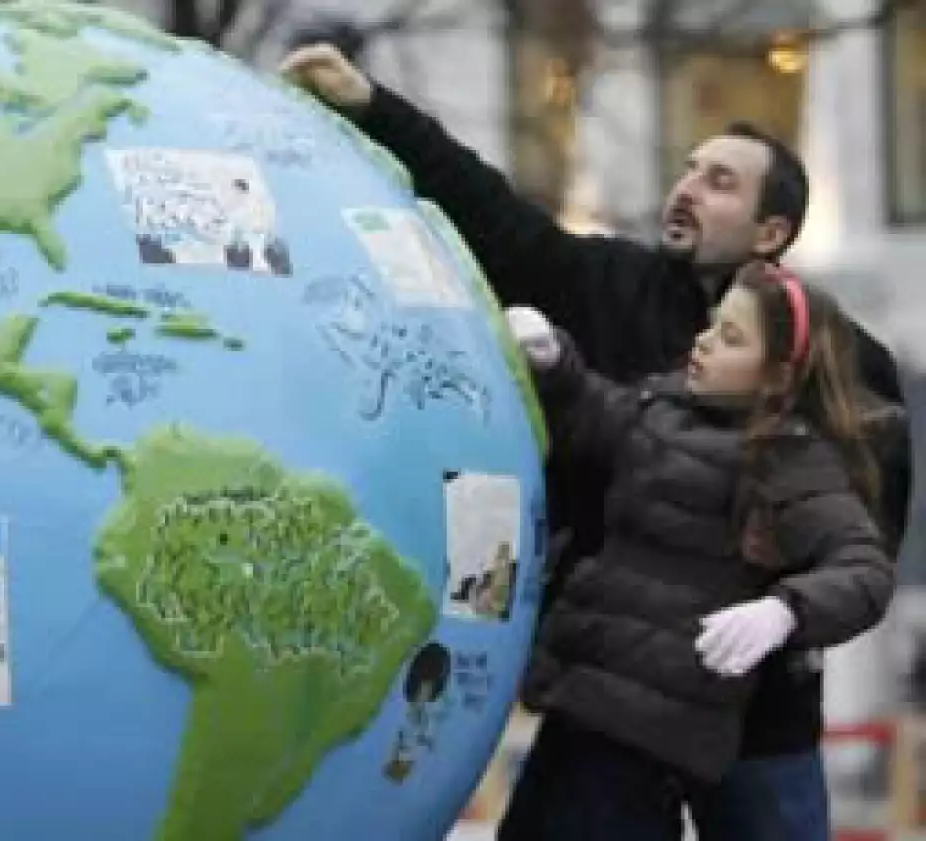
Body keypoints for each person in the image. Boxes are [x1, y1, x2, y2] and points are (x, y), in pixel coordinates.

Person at [279, 43, 911, 841]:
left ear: (771, 230)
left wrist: (774, 614)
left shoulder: (849, 363)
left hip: (757, 708)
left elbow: (862, 542)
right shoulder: (610, 284)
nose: (686, 189)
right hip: (611, 701)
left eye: (720, 182)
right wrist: (371, 101)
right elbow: (496, 219)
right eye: (688, 168)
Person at [498, 262, 894, 839]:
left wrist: (786, 610)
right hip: (579, 708)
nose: (705, 343)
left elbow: (865, 570)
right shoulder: (665, 409)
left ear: (778, 377)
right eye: (713, 325)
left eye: (732, 338)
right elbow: (592, 414)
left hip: (643, 743)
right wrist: (554, 360)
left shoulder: (788, 460)